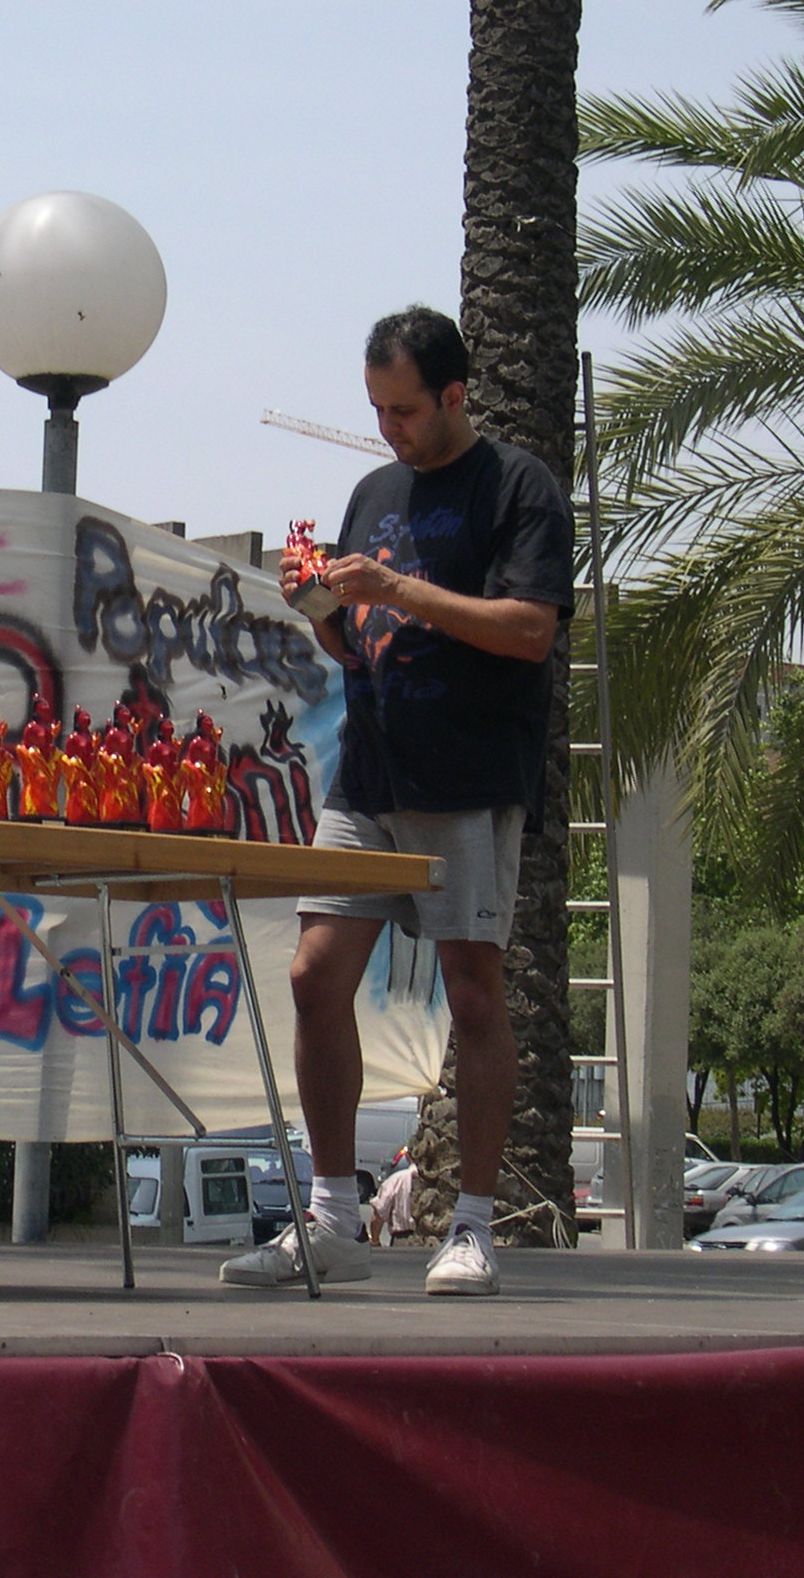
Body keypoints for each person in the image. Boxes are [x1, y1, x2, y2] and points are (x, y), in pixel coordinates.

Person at [219, 307, 573, 1298]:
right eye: (376, 409)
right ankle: (332, 1217)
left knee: (472, 992)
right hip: (368, 770)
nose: (389, 430)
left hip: (466, 776)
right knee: (311, 975)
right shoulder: (372, 490)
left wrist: (400, 589)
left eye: (405, 410)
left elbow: (529, 629)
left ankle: (469, 1226)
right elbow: (354, 639)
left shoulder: (518, 487)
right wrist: (323, 612)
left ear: (455, 396)